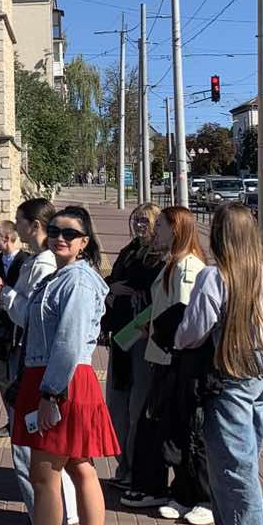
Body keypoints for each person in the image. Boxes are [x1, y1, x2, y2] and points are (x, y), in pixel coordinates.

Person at [0, 205, 118, 525]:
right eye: (56, 230)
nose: (60, 237)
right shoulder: (62, 277)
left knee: (45, 478)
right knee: (80, 468)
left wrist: (50, 394)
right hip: (57, 378)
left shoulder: (76, 280)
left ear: (84, 241)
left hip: (59, 379)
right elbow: (34, 320)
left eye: (70, 233)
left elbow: (69, 340)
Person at [175, 203, 263, 525]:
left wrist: (176, 336)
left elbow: (191, 332)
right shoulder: (259, 274)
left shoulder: (214, 276)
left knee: (233, 465)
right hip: (259, 368)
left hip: (228, 371)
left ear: (220, 235)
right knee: (240, 458)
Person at [0, 197, 76, 525]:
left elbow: (32, 316)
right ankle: (52, 523)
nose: (14, 226)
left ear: (34, 225)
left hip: (35, 362)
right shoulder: (40, 261)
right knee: (45, 450)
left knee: (30, 449)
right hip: (35, 360)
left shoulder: (43, 264)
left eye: (19, 220)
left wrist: (3, 294)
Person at [122, 206, 212, 525]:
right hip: (163, 355)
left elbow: (185, 317)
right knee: (169, 430)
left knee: (186, 432)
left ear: (176, 230)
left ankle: (200, 496)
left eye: (160, 225)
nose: (155, 231)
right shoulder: (173, 263)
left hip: (176, 359)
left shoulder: (188, 266)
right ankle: (181, 492)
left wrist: (161, 334)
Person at [102, 205, 164, 489]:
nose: (140, 225)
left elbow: (154, 292)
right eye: (136, 219)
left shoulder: (159, 256)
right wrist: (112, 289)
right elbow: (112, 280)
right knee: (117, 404)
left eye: (146, 220)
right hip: (121, 335)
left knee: (138, 406)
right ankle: (123, 465)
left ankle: (135, 470)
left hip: (141, 336)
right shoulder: (129, 251)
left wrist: (122, 290)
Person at [0, 218, 27, 436]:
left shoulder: (25, 262)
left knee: (17, 376)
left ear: (7, 238)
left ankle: (19, 419)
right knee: (2, 376)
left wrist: (3, 289)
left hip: (18, 329)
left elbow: (23, 295)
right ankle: (11, 419)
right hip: (0, 327)